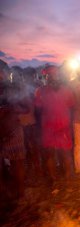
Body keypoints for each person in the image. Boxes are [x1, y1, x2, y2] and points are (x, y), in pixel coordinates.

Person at [35, 65, 75, 182]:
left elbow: (38, 109)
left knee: (58, 154)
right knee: (57, 154)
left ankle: (60, 177)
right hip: (53, 126)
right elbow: (71, 107)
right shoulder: (41, 91)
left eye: (54, 75)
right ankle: (60, 177)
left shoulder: (41, 91)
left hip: (56, 126)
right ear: (46, 77)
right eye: (50, 76)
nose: (52, 77)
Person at [0, 60, 29, 199]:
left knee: (17, 163)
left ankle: (20, 192)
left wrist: (11, 109)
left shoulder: (15, 88)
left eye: (2, 71)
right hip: (6, 131)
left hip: (13, 130)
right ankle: (8, 193)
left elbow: (26, 108)